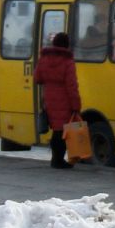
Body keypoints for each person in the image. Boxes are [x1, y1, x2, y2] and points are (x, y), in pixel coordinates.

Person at [33, 31, 82, 170]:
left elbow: (37, 78)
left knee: (57, 130)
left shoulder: (44, 58)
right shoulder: (67, 61)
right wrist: (76, 105)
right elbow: (72, 86)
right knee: (61, 132)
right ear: (67, 45)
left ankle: (56, 159)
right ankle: (58, 160)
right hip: (64, 100)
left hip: (49, 98)